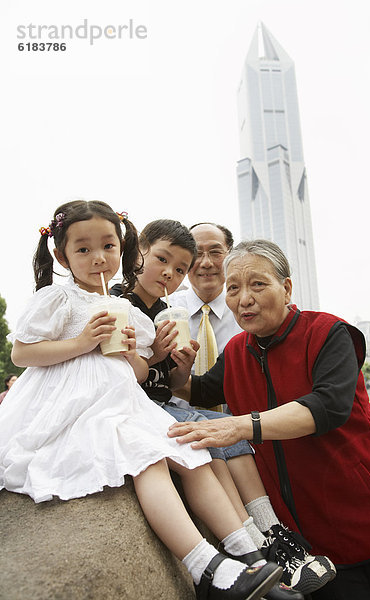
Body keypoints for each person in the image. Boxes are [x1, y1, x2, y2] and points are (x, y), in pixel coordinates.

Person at [0, 203, 284, 600]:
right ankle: (206, 566)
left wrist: (137, 355)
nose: (98, 258)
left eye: (108, 246)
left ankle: (250, 557)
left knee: (190, 453)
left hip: (122, 399)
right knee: (148, 458)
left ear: (122, 249)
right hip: (74, 404)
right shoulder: (57, 299)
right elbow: (23, 353)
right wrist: (83, 343)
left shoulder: (126, 309)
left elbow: (135, 373)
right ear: (62, 255)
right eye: (83, 250)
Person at [111, 219, 335, 597]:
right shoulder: (124, 305)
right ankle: (254, 549)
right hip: (143, 407)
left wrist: (174, 368)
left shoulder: (176, 308)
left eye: (180, 267)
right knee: (205, 436)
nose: (172, 273)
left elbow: (177, 382)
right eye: (166, 261)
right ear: (140, 252)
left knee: (226, 427)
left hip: (277, 446)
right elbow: (134, 373)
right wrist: (165, 363)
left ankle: (272, 533)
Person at [168, 239, 370, 600]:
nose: (244, 298)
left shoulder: (327, 332)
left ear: (287, 287)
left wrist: (240, 425)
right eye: (234, 288)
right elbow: (198, 391)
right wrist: (177, 374)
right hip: (310, 539)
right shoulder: (236, 352)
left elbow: (327, 406)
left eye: (257, 284)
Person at [169, 222, 242, 411]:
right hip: (172, 427)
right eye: (197, 253)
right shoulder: (165, 310)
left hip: (237, 429)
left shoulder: (247, 313)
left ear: (230, 256)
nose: (206, 263)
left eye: (216, 252)